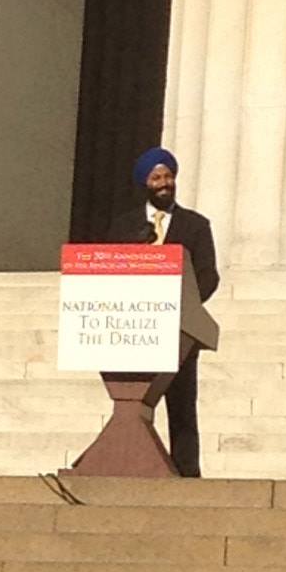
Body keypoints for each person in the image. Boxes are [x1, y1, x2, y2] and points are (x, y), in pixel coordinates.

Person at [107, 147, 219, 477]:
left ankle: (187, 472)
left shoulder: (195, 226)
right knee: (132, 400)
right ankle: (129, 464)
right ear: (145, 182)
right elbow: (109, 270)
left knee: (182, 407)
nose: (164, 183)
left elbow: (208, 275)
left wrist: (185, 306)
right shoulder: (124, 227)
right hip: (135, 328)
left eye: (168, 176)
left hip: (180, 332)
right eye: (157, 177)